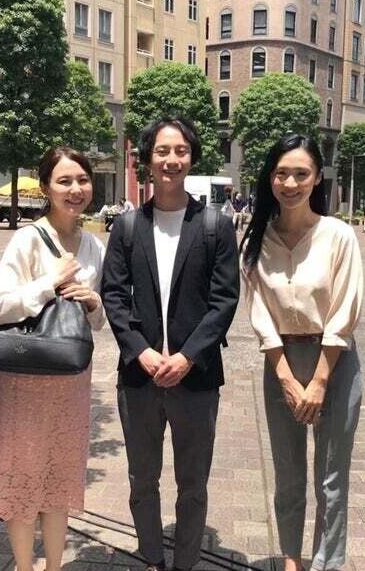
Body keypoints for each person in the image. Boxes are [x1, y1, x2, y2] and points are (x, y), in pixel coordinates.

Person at [102, 116, 239, 571]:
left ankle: (185, 562)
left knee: (193, 483)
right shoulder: (126, 227)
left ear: (192, 157)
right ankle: (152, 558)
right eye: (162, 151)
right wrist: (140, 351)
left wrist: (186, 357)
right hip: (138, 378)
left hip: (195, 379)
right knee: (142, 478)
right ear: (148, 158)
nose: (171, 159)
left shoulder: (215, 226)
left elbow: (224, 301)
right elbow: (113, 295)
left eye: (180, 150)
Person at [0, 147, 106, 571]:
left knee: (59, 480)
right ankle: (23, 565)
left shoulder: (93, 245)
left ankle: (53, 565)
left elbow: (98, 323)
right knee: (21, 479)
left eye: (82, 180)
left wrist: (92, 302)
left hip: (73, 381)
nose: (75, 189)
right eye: (64, 181)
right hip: (27, 379)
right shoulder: (28, 239)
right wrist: (49, 283)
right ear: (47, 187)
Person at [241, 134, 363, 571]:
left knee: (331, 477)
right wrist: (287, 377)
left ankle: (327, 562)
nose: (290, 183)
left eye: (300, 173)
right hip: (281, 363)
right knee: (288, 472)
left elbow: (344, 308)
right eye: (281, 174)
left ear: (317, 178)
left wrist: (320, 380)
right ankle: (291, 559)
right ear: (269, 178)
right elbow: (259, 312)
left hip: (335, 362)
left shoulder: (338, 236)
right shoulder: (257, 239)